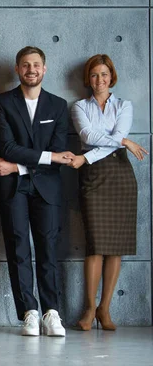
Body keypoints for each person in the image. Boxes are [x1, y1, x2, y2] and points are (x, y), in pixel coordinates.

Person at [0, 46, 75, 337]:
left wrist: (18, 167)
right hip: (12, 190)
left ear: (45, 69)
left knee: (48, 250)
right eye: (25, 65)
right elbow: (8, 148)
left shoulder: (58, 105)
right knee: (18, 249)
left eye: (36, 65)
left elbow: (60, 153)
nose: (31, 70)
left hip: (46, 188)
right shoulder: (1, 102)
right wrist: (49, 157)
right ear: (17, 69)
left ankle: (52, 312)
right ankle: (29, 312)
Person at [70, 54, 147, 331]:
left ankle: (105, 309)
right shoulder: (79, 106)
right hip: (94, 178)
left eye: (104, 74)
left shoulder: (124, 105)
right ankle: (89, 309)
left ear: (111, 76)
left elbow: (103, 143)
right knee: (95, 245)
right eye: (94, 75)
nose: (99, 80)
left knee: (117, 247)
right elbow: (87, 137)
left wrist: (93, 154)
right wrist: (123, 140)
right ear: (87, 79)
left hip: (120, 174)